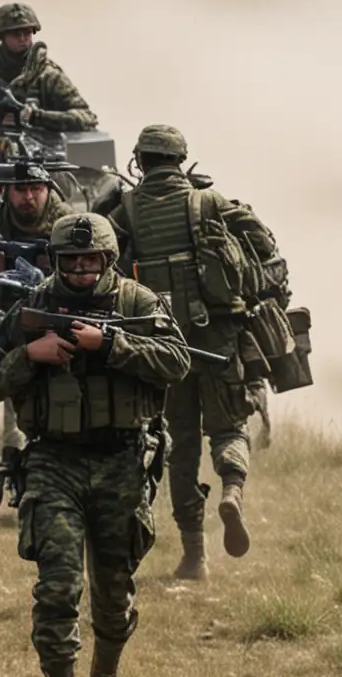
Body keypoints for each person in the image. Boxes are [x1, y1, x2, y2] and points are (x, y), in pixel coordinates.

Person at [0, 213, 189, 677]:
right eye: (70, 262)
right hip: (52, 461)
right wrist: (29, 356)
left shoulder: (138, 304)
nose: (81, 271)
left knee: (114, 587)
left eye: (90, 261)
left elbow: (177, 362)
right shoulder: (32, 307)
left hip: (120, 460)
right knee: (58, 587)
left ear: (109, 260)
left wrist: (110, 345)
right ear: (56, 262)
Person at [111, 125, 285, 579]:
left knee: (180, 446)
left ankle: (194, 555)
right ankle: (231, 490)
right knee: (229, 428)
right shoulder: (209, 202)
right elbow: (263, 243)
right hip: (219, 341)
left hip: (163, 345)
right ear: (180, 161)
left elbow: (101, 257)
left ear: (141, 162)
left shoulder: (125, 209)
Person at [0, 156, 69, 476]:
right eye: (20, 189)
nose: (28, 197)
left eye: (36, 188)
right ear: (6, 192)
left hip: (53, 318)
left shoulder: (69, 223)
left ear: (48, 189)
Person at [0, 4, 98, 136]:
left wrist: (36, 117)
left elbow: (86, 118)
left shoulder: (47, 74)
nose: (22, 39)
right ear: (2, 36)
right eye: (15, 34)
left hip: (36, 150)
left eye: (27, 32)